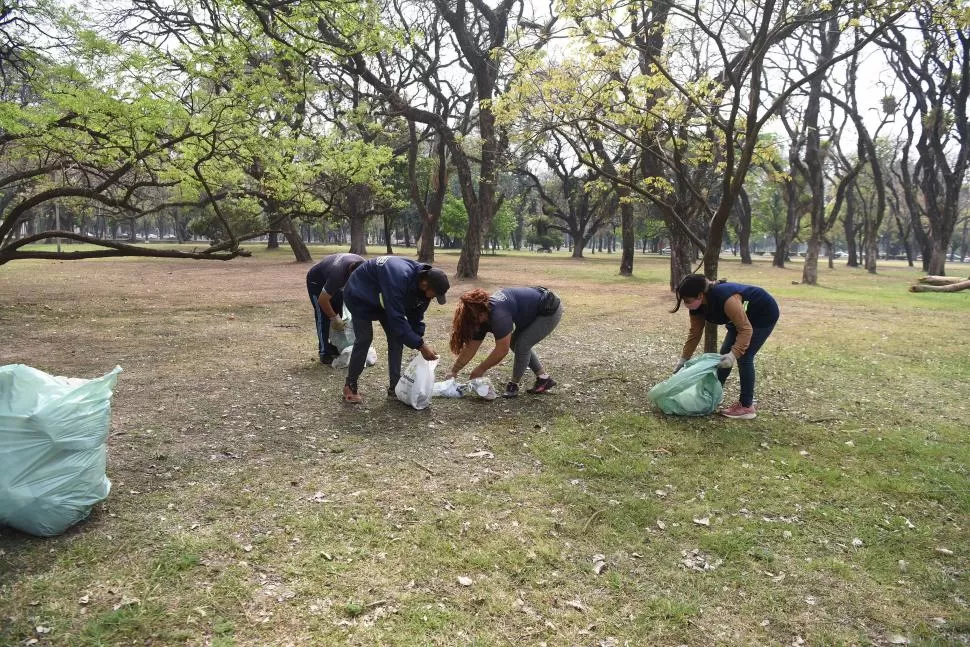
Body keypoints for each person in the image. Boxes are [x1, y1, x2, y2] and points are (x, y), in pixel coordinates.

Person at [341, 256, 450, 403]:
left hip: (382, 298)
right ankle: (350, 386)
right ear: (424, 284)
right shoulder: (398, 277)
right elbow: (397, 318)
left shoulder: (423, 286)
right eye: (435, 295)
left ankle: (395, 387)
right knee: (365, 338)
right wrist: (420, 345)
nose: (433, 298)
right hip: (359, 294)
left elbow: (416, 314)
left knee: (396, 337)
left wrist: (418, 339)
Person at [671, 274, 779, 419]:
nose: (686, 304)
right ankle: (711, 396)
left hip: (762, 313)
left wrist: (734, 354)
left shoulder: (725, 298)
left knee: (744, 356)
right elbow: (695, 333)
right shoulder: (697, 307)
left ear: (700, 295)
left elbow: (746, 329)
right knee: (722, 357)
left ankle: (746, 407)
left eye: (687, 300)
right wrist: (683, 359)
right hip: (740, 319)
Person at [445, 286, 563, 398]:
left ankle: (514, 384)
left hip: (549, 309)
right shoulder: (479, 318)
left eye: (474, 320)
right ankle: (544, 379)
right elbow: (471, 347)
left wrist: (480, 370)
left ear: (481, 313)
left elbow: (502, 350)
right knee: (515, 343)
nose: (474, 324)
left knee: (522, 345)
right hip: (530, 312)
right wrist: (454, 370)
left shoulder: (499, 315)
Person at [306, 252, 364, 364]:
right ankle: (324, 352)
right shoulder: (338, 275)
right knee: (323, 315)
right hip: (316, 282)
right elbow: (322, 300)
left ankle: (334, 345)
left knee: (340, 311)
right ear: (350, 270)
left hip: (333, 279)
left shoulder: (365, 267)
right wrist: (333, 317)